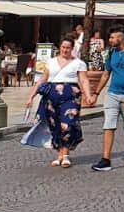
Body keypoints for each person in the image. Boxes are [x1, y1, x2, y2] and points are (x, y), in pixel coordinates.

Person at [26, 36, 90, 168]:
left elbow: (84, 80)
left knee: (68, 123)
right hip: (51, 96)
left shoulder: (79, 63)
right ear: (59, 47)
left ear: (72, 49)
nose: (65, 50)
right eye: (63, 47)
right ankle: (59, 154)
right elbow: (42, 79)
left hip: (71, 96)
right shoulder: (51, 62)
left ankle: (66, 155)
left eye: (68, 48)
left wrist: (88, 95)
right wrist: (31, 96)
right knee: (54, 124)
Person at [88, 26, 124, 171]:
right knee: (109, 125)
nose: (110, 40)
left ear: (120, 38)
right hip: (112, 94)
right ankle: (105, 159)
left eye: (112, 38)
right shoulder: (112, 52)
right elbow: (106, 74)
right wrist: (96, 93)